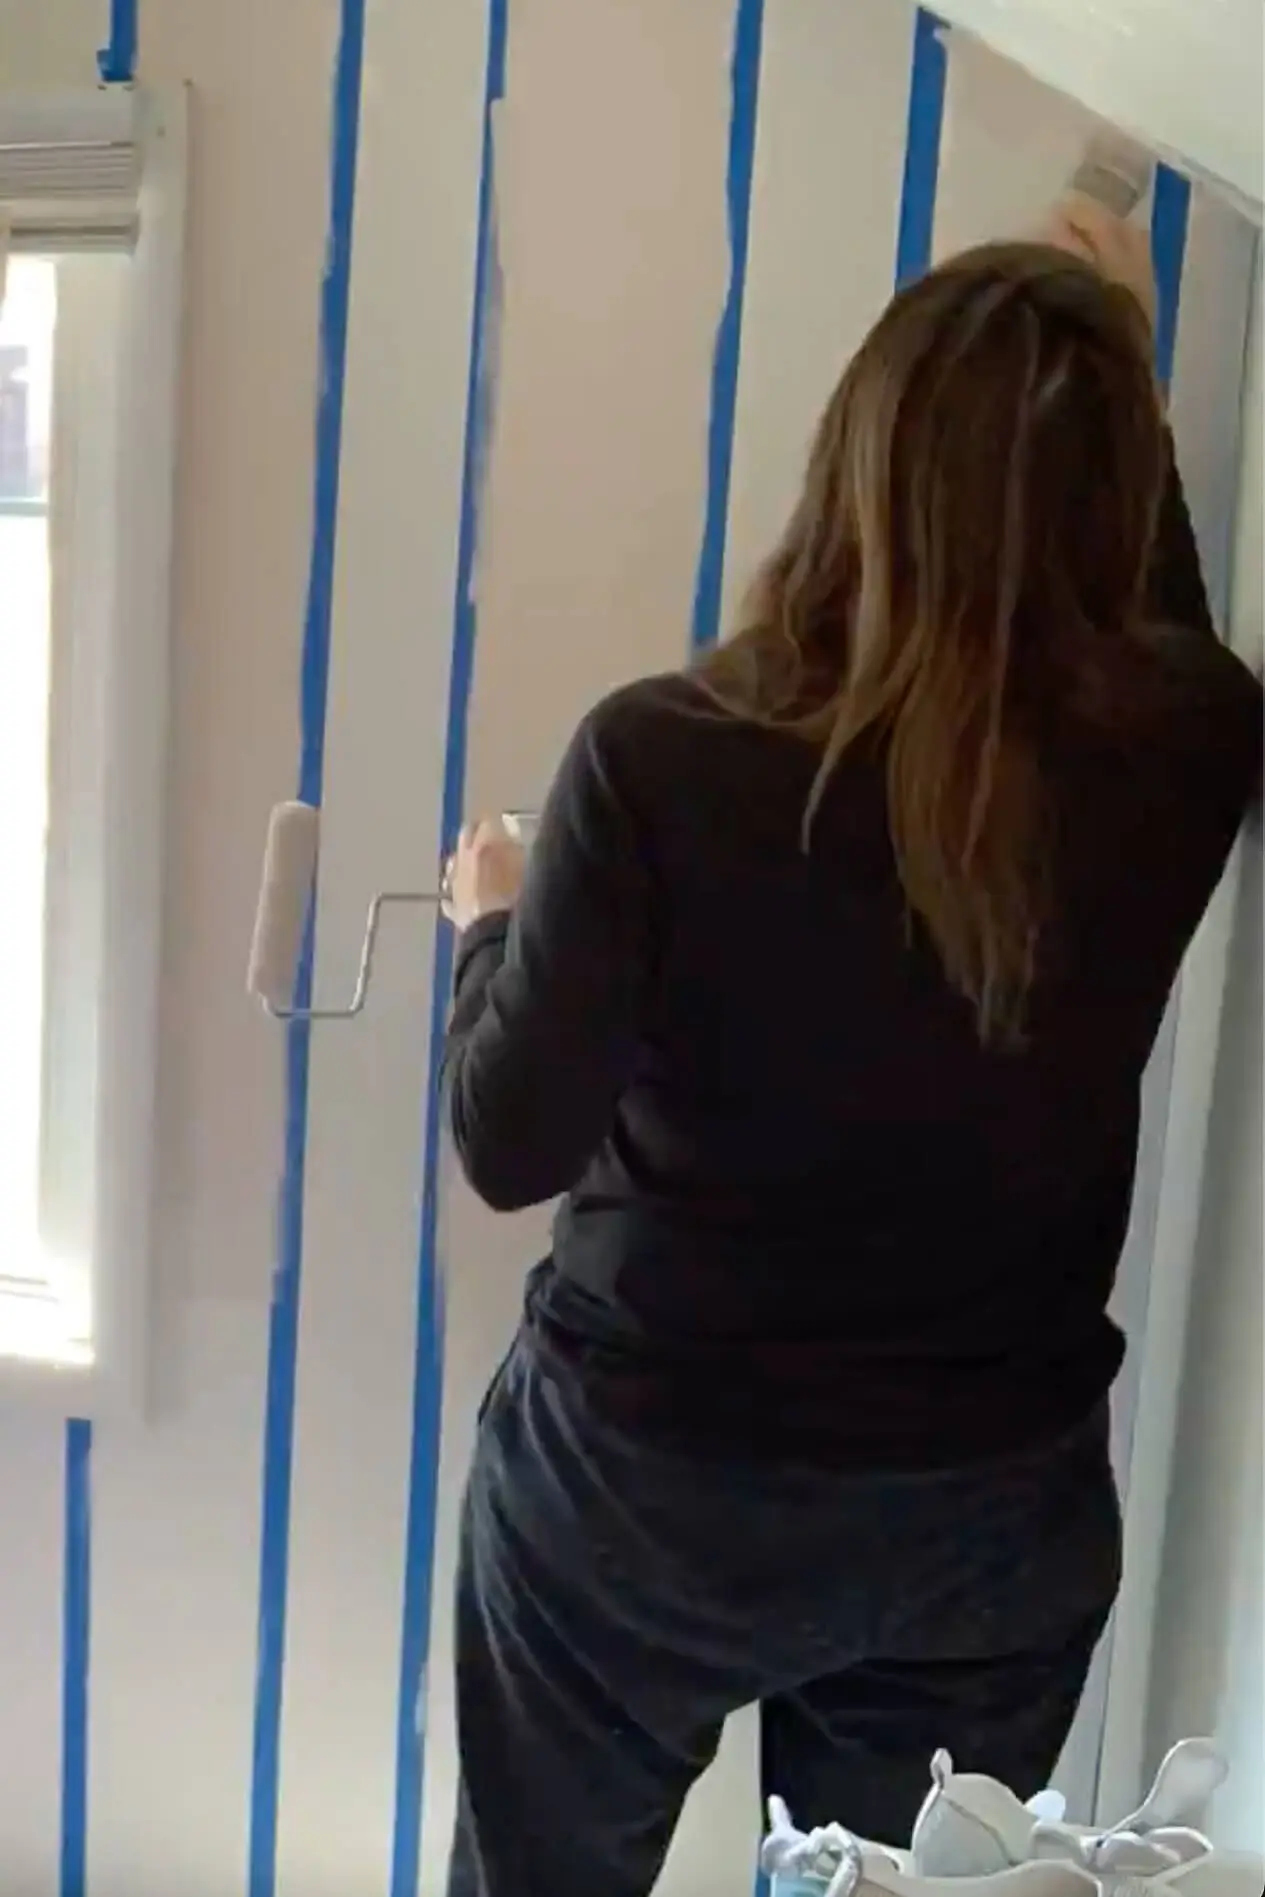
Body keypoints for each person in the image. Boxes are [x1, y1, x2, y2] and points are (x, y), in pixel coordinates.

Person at [438, 200, 1262, 1897]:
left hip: (647, 1499)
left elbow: (508, 1141)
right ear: (1111, 500)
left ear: (854, 467)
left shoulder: (661, 762)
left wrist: (494, 923)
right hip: (985, 1516)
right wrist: (1123, 389)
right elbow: (1161, 630)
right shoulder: (1191, 747)